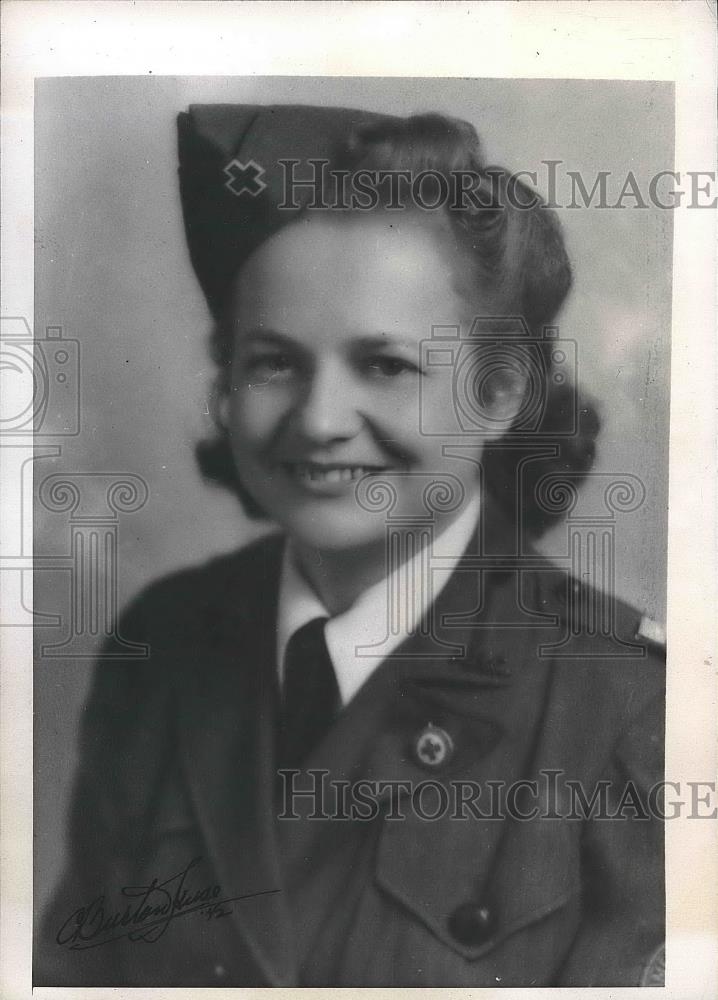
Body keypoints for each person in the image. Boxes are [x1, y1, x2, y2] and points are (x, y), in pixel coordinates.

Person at [36, 104, 665, 987]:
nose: (320, 421)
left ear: (499, 391)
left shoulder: (631, 710)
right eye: (273, 362)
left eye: (385, 365)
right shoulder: (165, 644)